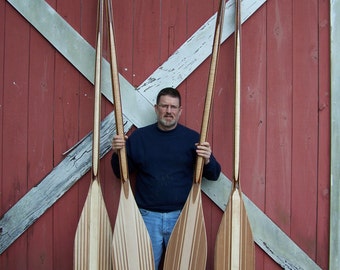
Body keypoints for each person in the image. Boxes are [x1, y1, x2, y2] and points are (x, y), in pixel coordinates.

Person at [111, 87, 221, 269]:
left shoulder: (193, 139)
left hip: (182, 217)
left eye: (173, 107)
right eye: (164, 106)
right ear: (156, 108)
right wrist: (117, 154)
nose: (169, 111)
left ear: (180, 111)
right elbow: (121, 173)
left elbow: (214, 175)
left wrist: (208, 159)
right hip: (147, 217)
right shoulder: (140, 138)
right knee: (143, 266)